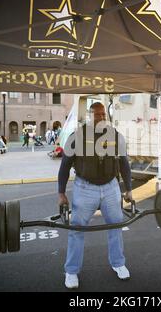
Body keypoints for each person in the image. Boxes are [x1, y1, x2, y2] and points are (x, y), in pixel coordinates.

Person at [58, 102, 133, 289]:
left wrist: (129, 189)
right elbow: (65, 166)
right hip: (85, 188)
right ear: (90, 116)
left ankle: (118, 263)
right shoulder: (76, 137)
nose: (100, 118)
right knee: (77, 230)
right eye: (97, 115)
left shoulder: (116, 136)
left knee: (116, 225)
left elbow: (124, 164)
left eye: (103, 115)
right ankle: (71, 271)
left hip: (110, 187)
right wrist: (61, 193)